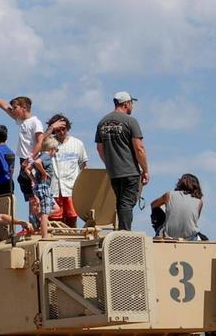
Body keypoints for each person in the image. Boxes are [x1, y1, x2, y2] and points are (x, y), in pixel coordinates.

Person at [0, 87, 45, 208]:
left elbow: (40, 142)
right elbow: (5, 107)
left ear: (24, 108)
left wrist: (30, 159)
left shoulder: (35, 122)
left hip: (31, 160)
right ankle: (33, 221)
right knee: (28, 192)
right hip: (23, 160)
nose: (13, 110)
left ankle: (39, 219)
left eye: (16, 108)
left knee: (35, 191)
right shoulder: (21, 121)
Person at [95, 91, 149, 230]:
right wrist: (145, 170)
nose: (132, 106)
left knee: (120, 202)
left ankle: (122, 231)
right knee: (127, 203)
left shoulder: (102, 122)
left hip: (114, 172)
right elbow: (139, 148)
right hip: (129, 170)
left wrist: (110, 164)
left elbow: (100, 149)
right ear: (126, 104)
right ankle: (125, 234)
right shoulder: (130, 121)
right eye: (131, 103)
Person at [40, 114, 87, 227]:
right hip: (54, 188)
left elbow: (84, 166)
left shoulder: (77, 143)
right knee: (55, 221)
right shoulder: (49, 143)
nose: (61, 132)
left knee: (72, 219)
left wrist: (84, 186)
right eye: (58, 129)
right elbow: (39, 142)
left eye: (64, 129)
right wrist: (51, 128)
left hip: (71, 188)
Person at [151, 174, 204, 240]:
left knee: (156, 208)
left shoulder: (169, 195)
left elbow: (153, 205)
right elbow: (193, 219)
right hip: (191, 236)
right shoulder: (199, 202)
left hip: (169, 234)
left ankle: (161, 234)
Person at [30, 136, 60, 239]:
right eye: (56, 150)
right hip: (44, 187)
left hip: (42, 186)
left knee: (56, 208)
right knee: (45, 214)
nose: (56, 153)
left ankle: (37, 215)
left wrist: (34, 180)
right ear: (52, 149)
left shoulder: (42, 156)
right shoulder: (46, 156)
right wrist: (44, 173)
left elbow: (27, 168)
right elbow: (37, 162)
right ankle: (45, 236)